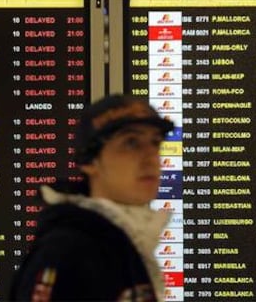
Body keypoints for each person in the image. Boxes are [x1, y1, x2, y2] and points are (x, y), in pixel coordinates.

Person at [10, 94, 174, 302]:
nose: (150, 157)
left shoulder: (125, 240)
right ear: (90, 161)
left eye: (155, 142)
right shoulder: (67, 250)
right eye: (131, 143)